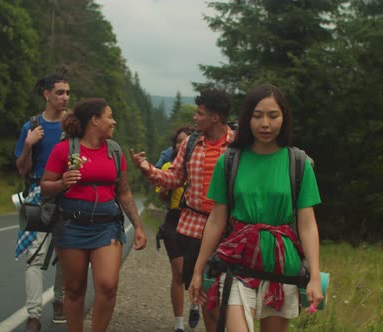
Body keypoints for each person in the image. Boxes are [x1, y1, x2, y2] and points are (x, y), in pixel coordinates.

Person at [188, 84, 324, 332]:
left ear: (284, 118)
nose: (265, 124)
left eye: (273, 116)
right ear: (246, 117)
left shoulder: (299, 164)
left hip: (282, 268)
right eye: (257, 115)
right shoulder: (229, 161)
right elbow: (216, 220)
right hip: (237, 263)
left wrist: (314, 276)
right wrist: (198, 270)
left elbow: (307, 224)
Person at [130, 88, 234, 332]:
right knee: (206, 299)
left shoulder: (238, 146)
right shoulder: (190, 143)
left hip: (231, 233)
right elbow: (175, 177)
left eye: (200, 113)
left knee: (230, 299)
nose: (195, 118)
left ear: (215, 117)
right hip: (195, 231)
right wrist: (148, 170)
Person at [40, 98, 147, 332]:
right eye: (109, 116)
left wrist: (138, 226)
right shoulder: (64, 149)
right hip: (71, 225)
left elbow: (125, 192)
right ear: (94, 121)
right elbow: (45, 186)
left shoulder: (115, 151)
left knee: (108, 286)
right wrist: (61, 183)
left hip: (107, 225)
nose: (114, 121)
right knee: (75, 289)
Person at [14, 72, 70, 332]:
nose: (65, 97)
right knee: (34, 256)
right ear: (46, 94)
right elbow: (22, 170)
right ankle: (34, 315)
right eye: (60, 92)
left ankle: (59, 302)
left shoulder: (72, 126)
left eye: (68, 93)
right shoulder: (32, 125)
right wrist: (28, 145)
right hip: (38, 193)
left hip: (68, 194)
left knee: (65, 254)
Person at [155, 126, 194, 332]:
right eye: (178, 141)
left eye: (185, 141)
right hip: (174, 219)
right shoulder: (169, 165)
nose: (181, 145)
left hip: (196, 220)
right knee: (178, 272)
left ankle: (195, 304)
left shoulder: (201, 164)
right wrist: (165, 188)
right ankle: (179, 324)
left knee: (196, 271)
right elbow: (161, 196)